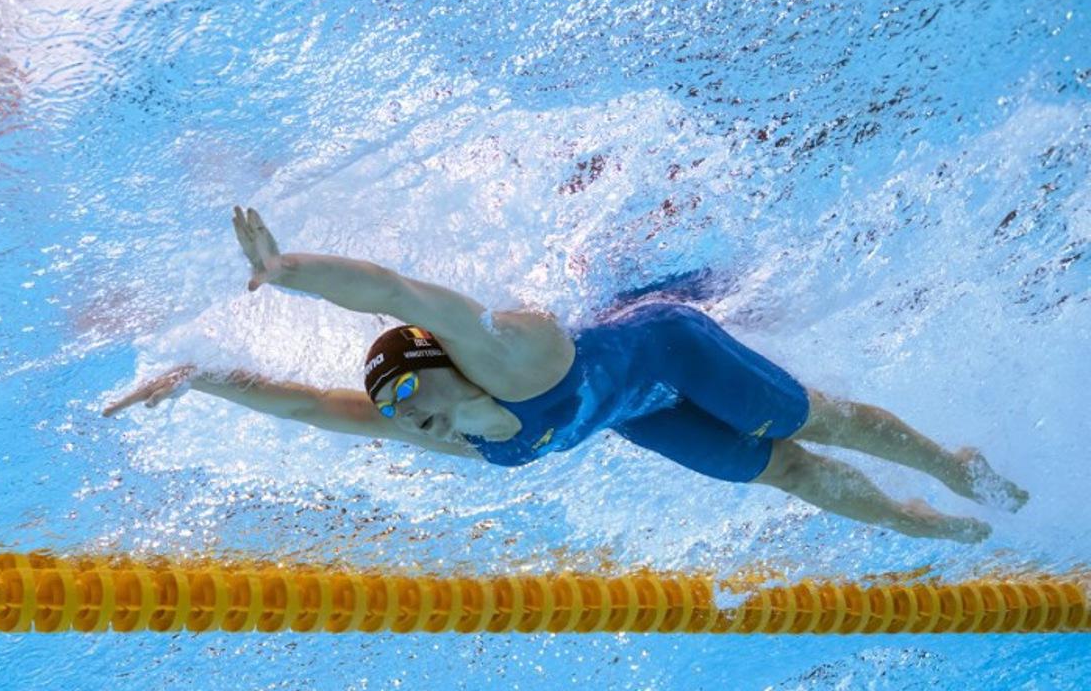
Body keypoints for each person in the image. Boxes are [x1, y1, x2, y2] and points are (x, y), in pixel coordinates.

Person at [104, 207, 1029, 543]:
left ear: (442, 362)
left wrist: (290, 273)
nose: (407, 425)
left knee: (810, 424)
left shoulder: (510, 353)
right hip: (631, 412)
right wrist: (199, 379)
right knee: (782, 474)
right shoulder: (449, 430)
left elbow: (389, 288)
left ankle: (951, 463)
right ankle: (918, 521)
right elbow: (307, 407)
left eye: (409, 401)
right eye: (400, 418)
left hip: (667, 349)